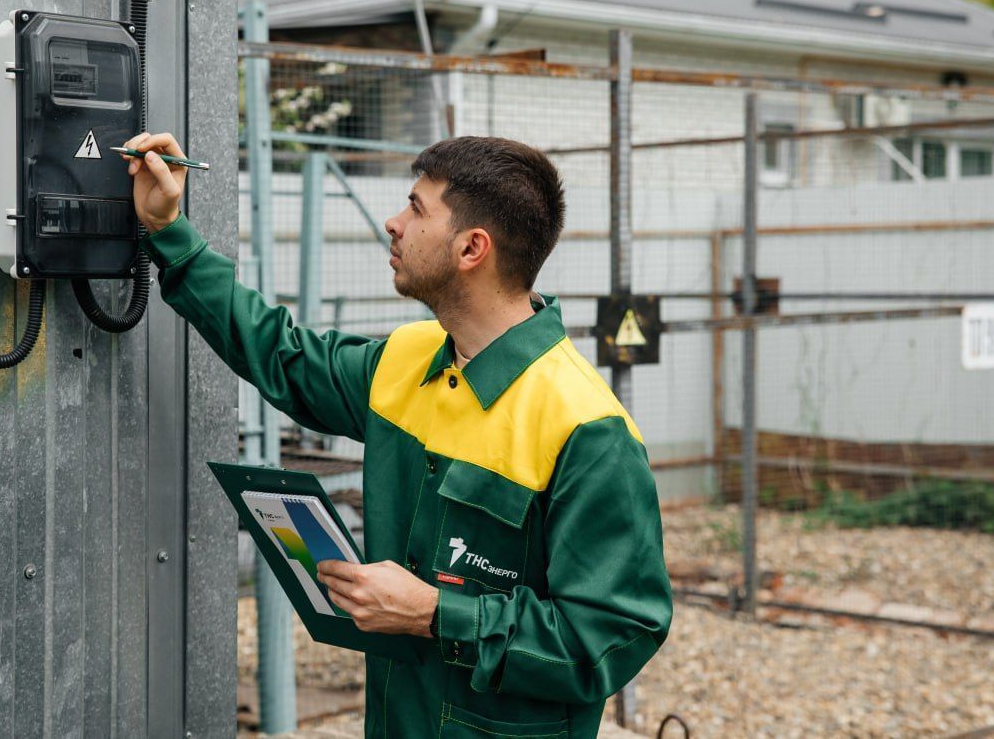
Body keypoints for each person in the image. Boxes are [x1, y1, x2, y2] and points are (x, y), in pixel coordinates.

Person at [123, 131, 672, 738]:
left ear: (471, 248)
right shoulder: (405, 360)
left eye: (415, 208)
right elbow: (280, 353)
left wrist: (435, 614)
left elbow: (610, 638)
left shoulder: (587, 429)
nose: (393, 223)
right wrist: (169, 229)